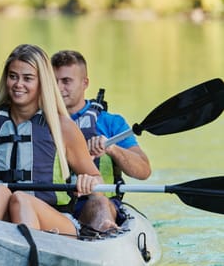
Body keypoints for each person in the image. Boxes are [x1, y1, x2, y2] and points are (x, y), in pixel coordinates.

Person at [0, 44, 103, 236]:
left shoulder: (63, 127)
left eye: (28, 78)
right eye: (13, 76)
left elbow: (97, 179)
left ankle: (25, 251)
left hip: (53, 221)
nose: (18, 84)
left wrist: (88, 181)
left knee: (21, 199)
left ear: (43, 82)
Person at [51, 50, 151, 233]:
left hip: (95, 204)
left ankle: (107, 230)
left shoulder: (111, 122)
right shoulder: (37, 121)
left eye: (66, 81)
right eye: (54, 81)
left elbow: (144, 170)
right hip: (50, 207)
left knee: (99, 201)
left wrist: (112, 148)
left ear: (85, 83)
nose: (58, 88)